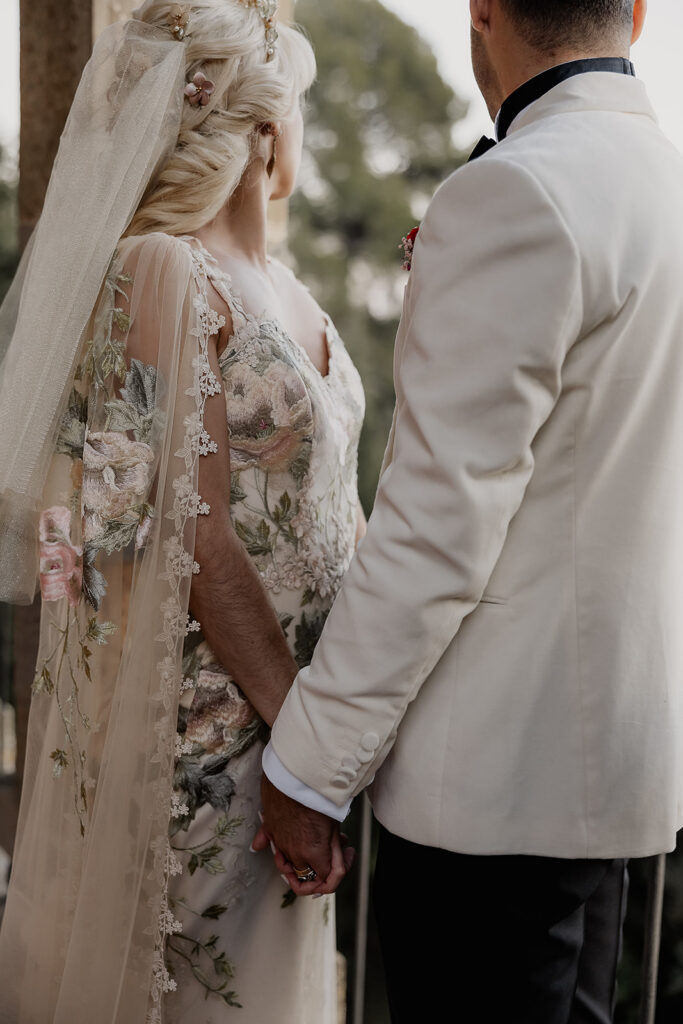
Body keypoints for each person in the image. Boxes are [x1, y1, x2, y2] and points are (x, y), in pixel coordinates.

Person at [256, 0, 683, 1020]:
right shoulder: (665, 185)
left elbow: (436, 529)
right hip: (612, 776)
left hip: (486, 794)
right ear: (633, 14)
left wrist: (308, 767)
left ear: (480, 9)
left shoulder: (515, 191)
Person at [0, 2, 361, 1021]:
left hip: (300, 746)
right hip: (215, 746)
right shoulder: (158, 269)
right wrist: (305, 745)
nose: (300, 134)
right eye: (295, 109)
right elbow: (172, 534)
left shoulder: (298, 297)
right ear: (258, 132)